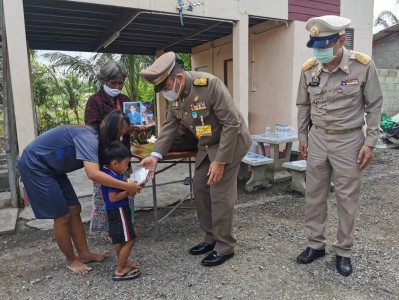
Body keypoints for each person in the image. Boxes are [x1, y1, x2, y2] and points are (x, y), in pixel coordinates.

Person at [138, 52, 251, 267]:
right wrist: (155, 156)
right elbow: (170, 127)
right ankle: (210, 238)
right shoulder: (177, 96)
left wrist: (220, 161)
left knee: (219, 192)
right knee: (199, 187)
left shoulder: (209, 85)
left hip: (231, 142)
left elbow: (232, 123)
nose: (164, 92)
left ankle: (225, 245)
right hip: (208, 144)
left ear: (178, 78)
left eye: (165, 86)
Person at [296, 15, 383, 276]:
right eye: (316, 46)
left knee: (346, 199)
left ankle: (343, 250)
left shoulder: (363, 65)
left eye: (324, 46)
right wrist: (303, 137)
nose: (318, 52)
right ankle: (315, 244)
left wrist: (371, 142)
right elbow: (303, 106)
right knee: (314, 195)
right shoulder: (309, 68)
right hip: (318, 138)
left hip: (350, 140)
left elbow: (374, 106)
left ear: (341, 41)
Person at [16, 110, 142, 275]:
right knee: (61, 216)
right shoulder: (89, 138)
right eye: (119, 134)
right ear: (111, 130)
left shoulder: (99, 139)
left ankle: (84, 254)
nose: (119, 139)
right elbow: (93, 174)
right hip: (36, 165)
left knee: (74, 209)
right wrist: (126, 187)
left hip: (54, 168)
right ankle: (71, 260)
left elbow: (103, 173)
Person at [84, 60, 135, 236]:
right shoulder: (94, 101)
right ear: (104, 81)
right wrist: (115, 128)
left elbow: (128, 128)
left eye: (120, 83)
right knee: (106, 195)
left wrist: (135, 127)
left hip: (123, 157)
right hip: (105, 159)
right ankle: (110, 230)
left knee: (126, 190)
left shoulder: (125, 100)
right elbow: (92, 129)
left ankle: (127, 224)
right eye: (113, 83)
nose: (117, 86)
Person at [100, 141, 141, 281]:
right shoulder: (114, 177)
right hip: (119, 211)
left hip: (114, 211)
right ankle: (120, 270)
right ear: (115, 163)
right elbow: (113, 198)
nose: (127, 167)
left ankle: (122, 263)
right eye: (126, 163)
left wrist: (129, 188)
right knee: (130, 239)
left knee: (119, 240)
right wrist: (129, 190)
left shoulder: (106, 171)